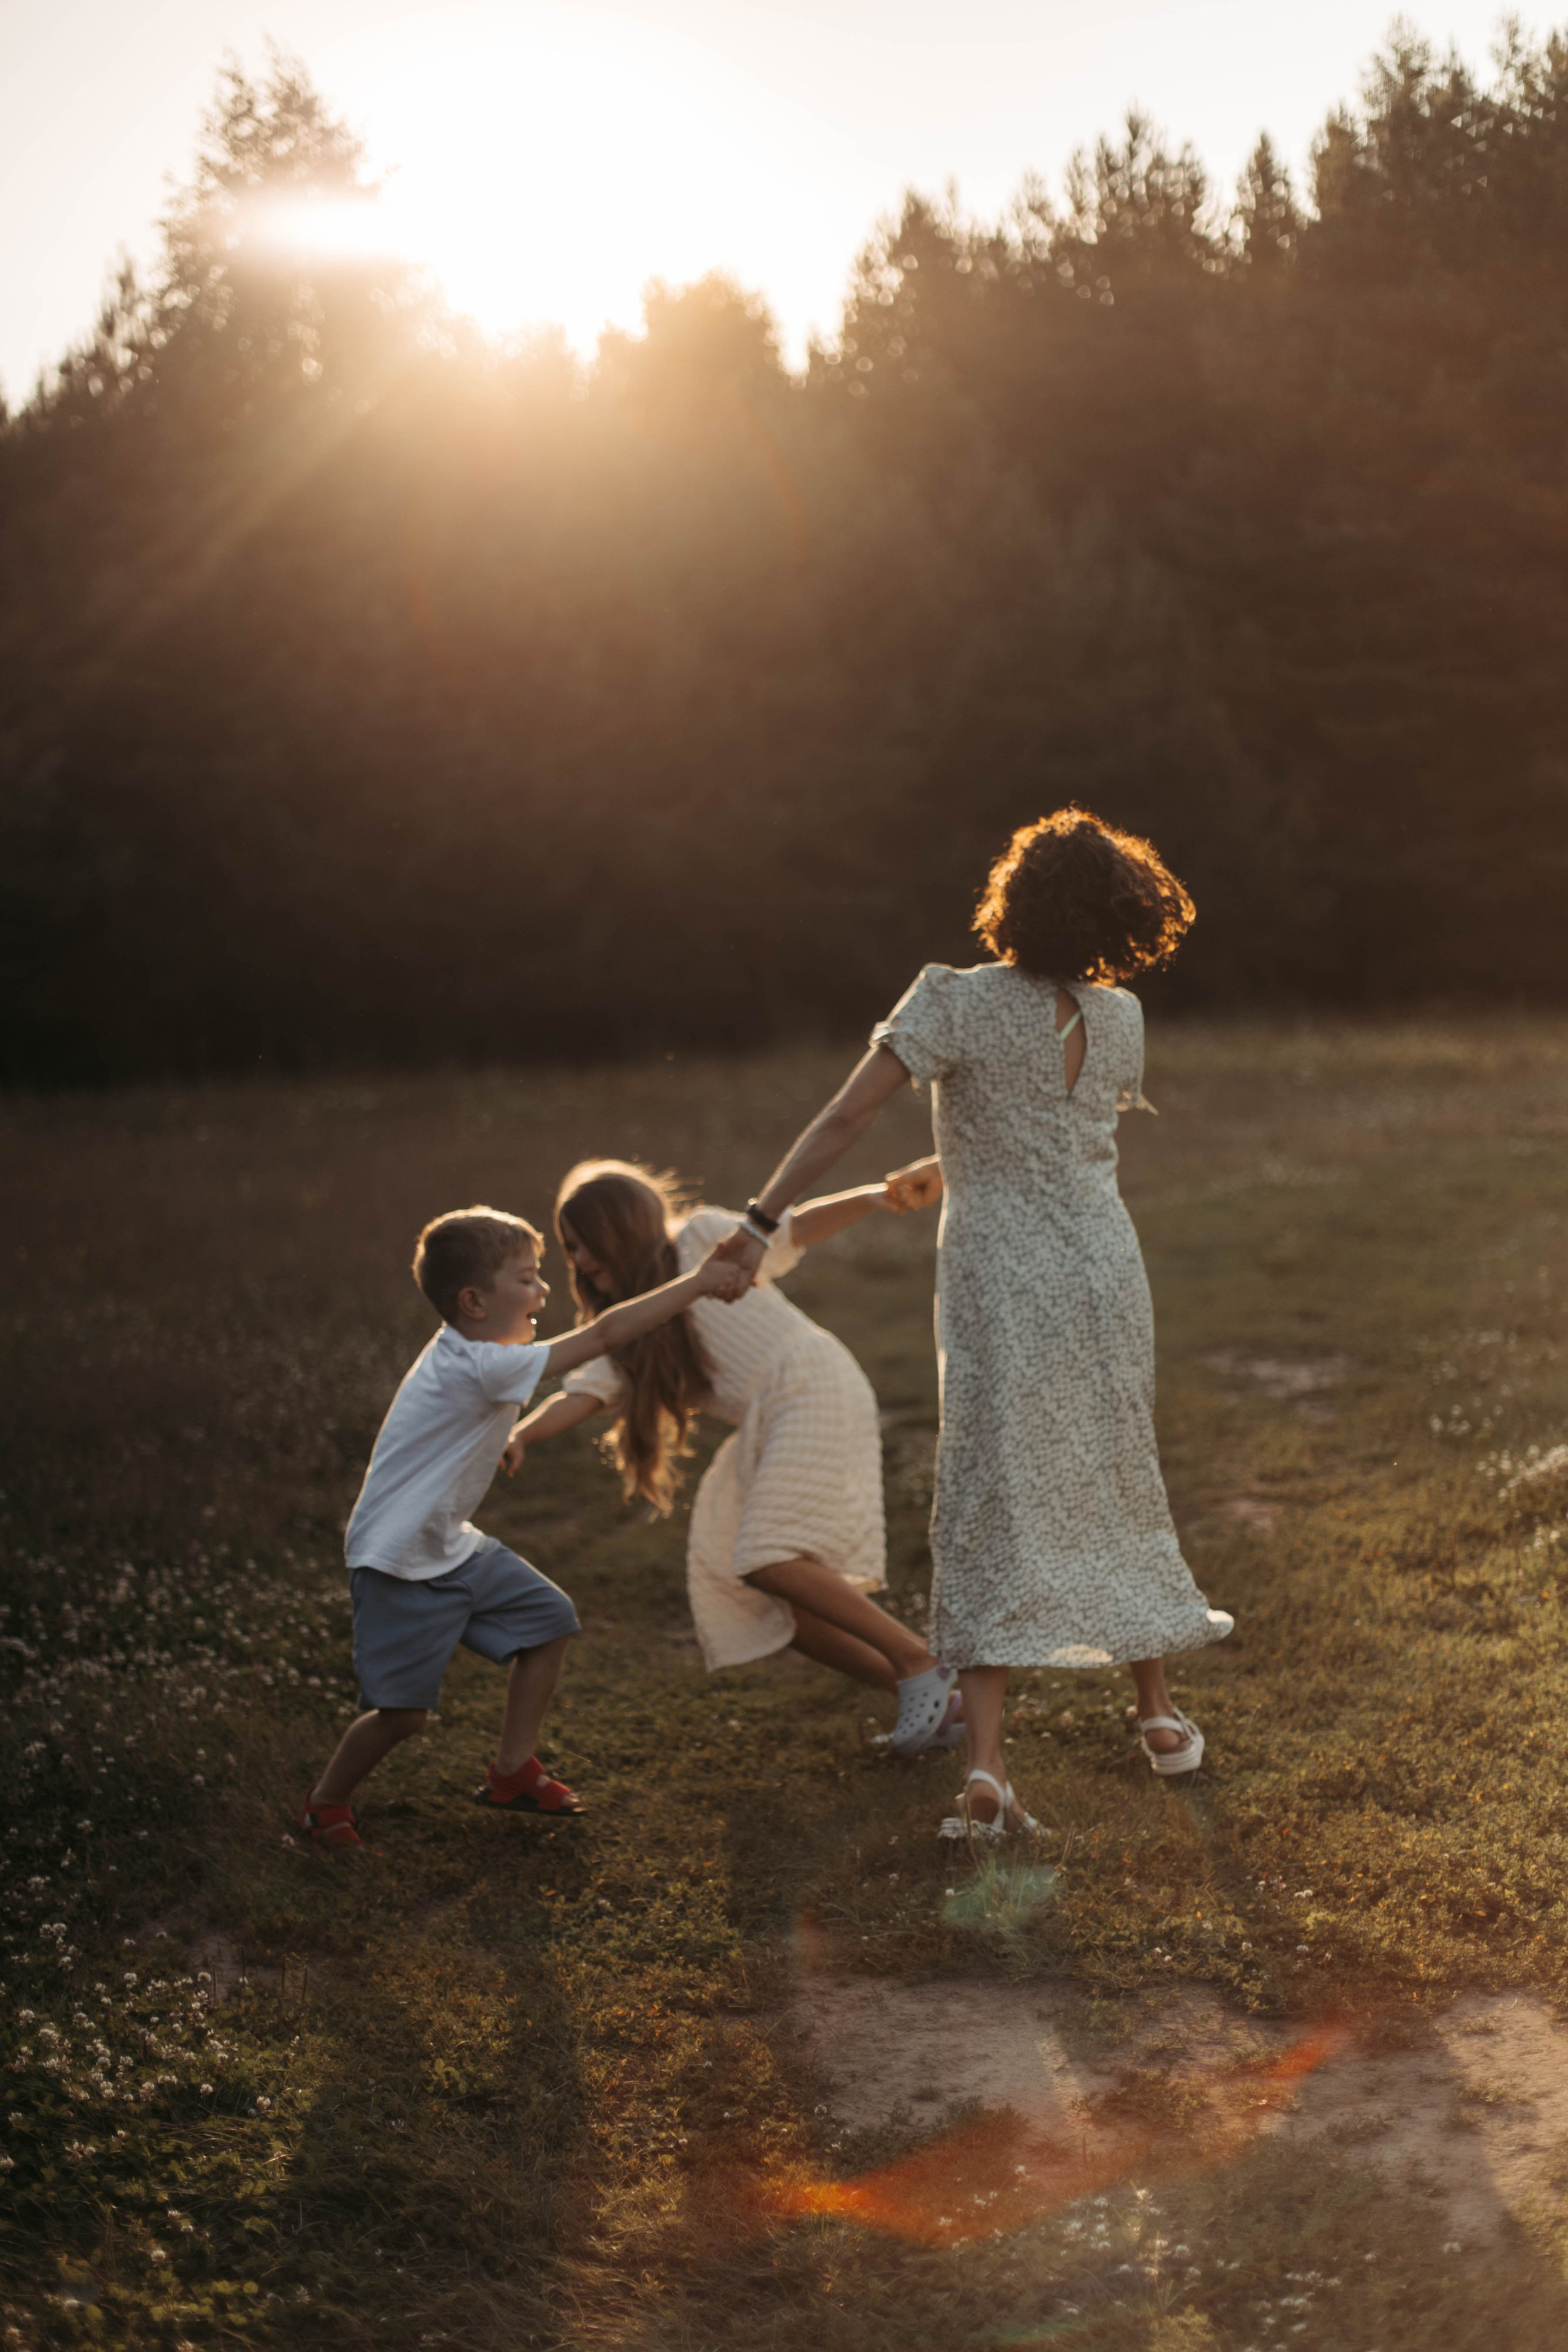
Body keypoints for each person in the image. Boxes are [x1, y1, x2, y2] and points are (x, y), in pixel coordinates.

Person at [719, 808, 1234, 1841]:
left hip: (1000, 1273)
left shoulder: (949, 998)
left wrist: (759, 1220)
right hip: (1101, 1266)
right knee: (1114, 1465)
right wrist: (951, 1162)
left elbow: (848, 1115)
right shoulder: (1122, 1017)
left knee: (990, 1489)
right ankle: (1158, 1714)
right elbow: (1057, 1136)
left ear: (1015, 901)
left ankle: (988, 1771)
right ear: (1118, 914)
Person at [296, 1202, 747, 1852]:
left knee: (548, 1620)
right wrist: (698, 1282)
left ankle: (511, 1772)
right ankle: (325, 1805)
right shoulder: (482, 1364)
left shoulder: (468, 1353)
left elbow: (450, 1425)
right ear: (474, 1301)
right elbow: (605, 1335)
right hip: (398, 1561)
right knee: (403, 1716)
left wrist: (504, 1439)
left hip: (451, 1546)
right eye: (528, 1279)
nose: (543, 1291)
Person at [500, 1160, 961, 1754]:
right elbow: (584, 1394)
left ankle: (920, 1661)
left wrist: (875, 1196)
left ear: (622, 1230)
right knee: (770, 1597)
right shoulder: (631, 1323)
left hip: (810, 1382)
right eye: (571, 1249)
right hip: (770, 1415)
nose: (579, 1260)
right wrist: (521, 1436)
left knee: (766, 1558)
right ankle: (933, 1701)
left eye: (584, 1243)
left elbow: (795, 1229)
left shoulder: (699, 1238)